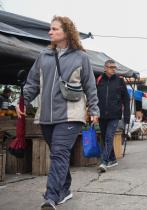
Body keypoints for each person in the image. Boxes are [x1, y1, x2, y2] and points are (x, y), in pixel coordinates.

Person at [16, 16, 99, 210]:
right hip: (46, 116)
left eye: (54, 29)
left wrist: (94, 109)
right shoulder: (43, 55)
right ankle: (65, 189)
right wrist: (23, 100)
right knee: (58, 155)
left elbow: (90, 85)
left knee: (59, 154)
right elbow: (32, 82)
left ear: (67, 32)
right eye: (50, 29)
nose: (50, 32)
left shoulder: (81, 57)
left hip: (71, 115)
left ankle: (51, 197)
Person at [96, 59, 130, 172]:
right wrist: (93, 112)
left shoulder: (120, 81)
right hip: (101, 115)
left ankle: (104, 162)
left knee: (109, 137)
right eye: (111, 67)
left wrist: (127, 116)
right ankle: (113, 159)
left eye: (114, 67)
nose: (113, 69)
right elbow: (95, 97)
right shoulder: (99, 79)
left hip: (115, 114)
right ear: (105, 68)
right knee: (105, 137)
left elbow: (126, 99)